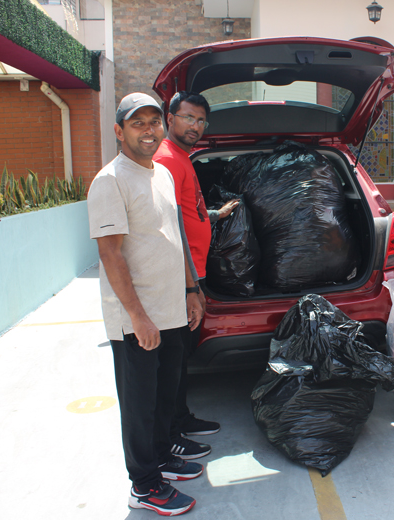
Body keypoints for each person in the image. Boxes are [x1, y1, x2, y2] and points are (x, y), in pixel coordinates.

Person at [87, 92, 205, 516]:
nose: (149, 131)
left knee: (163, 395)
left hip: (172, 308)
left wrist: (192, 290)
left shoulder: (161, 175)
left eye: (154, 122)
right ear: (119, 132)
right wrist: (138, 317)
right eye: (138, 124)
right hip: (137, 319)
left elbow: (173, 237)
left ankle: (161, 458)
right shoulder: (110, 180)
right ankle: (144, 482)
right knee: (139, 403)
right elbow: (111, 254)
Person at [153, 91, 239, 459]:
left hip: (191, 273)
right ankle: (169, 434)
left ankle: (181, 417)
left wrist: (216, 215)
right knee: (169, 361)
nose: (196, 126)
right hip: (178, 277)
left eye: (201, 120)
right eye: (189, 117)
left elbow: (189, 211)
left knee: (181, 355)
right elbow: (170, 225)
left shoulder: (182, 159)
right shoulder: (166, 160)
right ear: (169, 118)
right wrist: (191, 286)